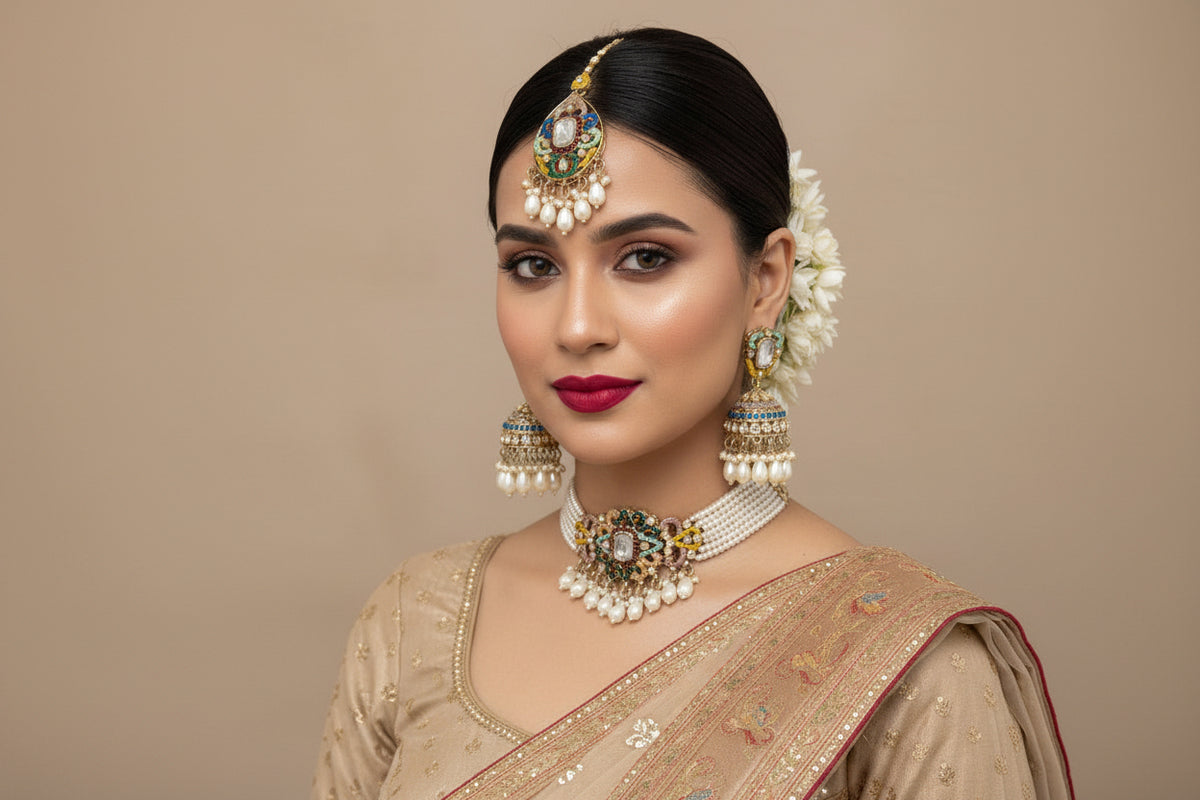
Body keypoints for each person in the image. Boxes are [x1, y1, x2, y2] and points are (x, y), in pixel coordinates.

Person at [312, 28, 1073, 800]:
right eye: (533, 265)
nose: (577, 327)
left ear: (766, 280)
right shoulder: (417, 621)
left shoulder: (905, 662)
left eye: (645, 258)